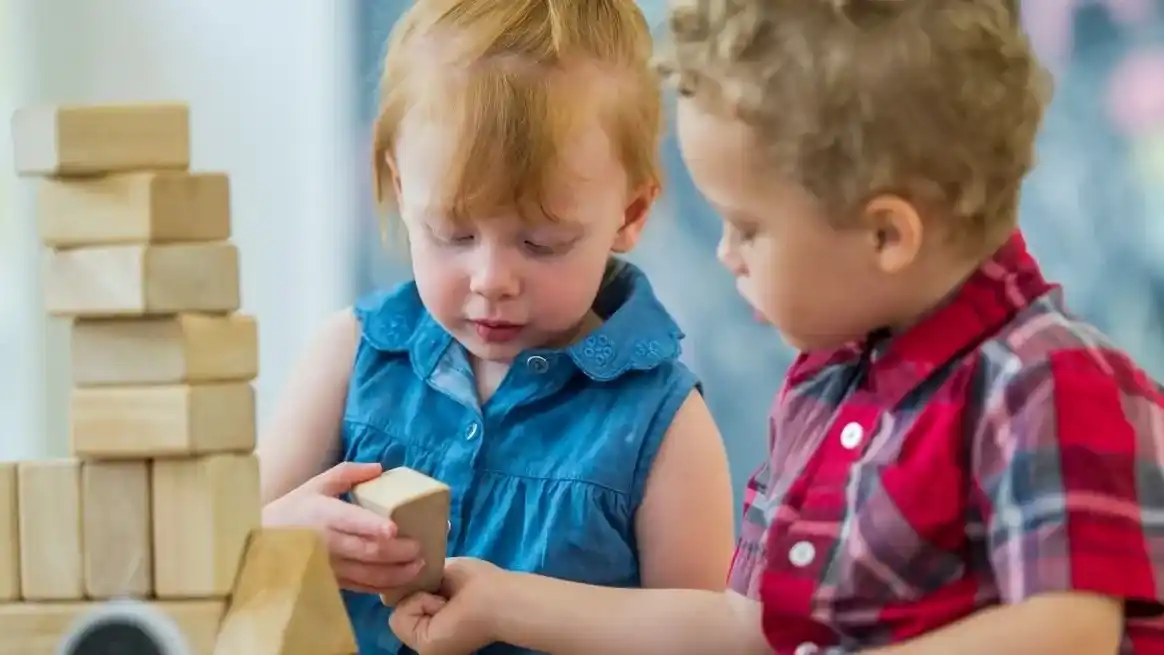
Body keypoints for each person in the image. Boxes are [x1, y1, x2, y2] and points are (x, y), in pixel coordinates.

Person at [387, 0, 1164, 653]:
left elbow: (1067, 631)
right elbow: (748, 625)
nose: (727, 254)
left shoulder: (1046, 380)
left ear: (887, 235)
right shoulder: (828, 389)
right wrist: (501, 601)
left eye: (749, 227)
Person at [256, 0, 738, 653]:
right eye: (452, 233)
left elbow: (708, 637)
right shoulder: (347, 356)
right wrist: (284, 536)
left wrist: (520, 609)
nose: (491, 278)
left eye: (541, 243)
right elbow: (215, 557)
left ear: (630, 211)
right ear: (401, 189)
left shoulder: (663, 426)